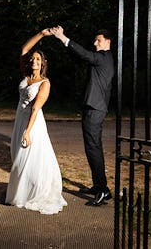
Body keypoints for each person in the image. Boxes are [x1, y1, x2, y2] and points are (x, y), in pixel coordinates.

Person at [49, 25, 114, 206]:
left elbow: (85, 54)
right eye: (95, 40)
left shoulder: (103, 57)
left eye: (98, 40)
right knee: (92, 148)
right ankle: (100, 186)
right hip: (94, 108)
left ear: (108, 42)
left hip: (95, 109)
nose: (95, 43)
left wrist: (63, 37)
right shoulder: (105, 58)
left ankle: (102, 191)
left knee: (93, 148)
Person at [4, 29, 68, 215]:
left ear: (43, 64)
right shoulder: (26, 76)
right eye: (33, 59)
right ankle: (21, 193)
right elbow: (24, 49)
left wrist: (28, 131)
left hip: (32, 124)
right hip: (19, 120)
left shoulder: (44, 83)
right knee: (17, 157)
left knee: (28, 159)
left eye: (38, 60)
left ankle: (33, 192)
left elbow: (35, 108)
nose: (34, 61)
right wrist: (41, 34)